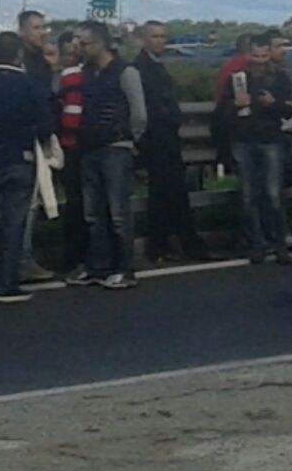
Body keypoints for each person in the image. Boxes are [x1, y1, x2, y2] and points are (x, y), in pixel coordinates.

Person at [73, 22, 147, 290]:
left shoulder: (125, 71)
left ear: (99, 43)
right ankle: (98, 265)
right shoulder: (87, 72)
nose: (78, 48)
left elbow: (139, 113)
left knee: (118, 211)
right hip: (90, 146)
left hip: (116, 146)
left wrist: (129, 138)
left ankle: (125, 268)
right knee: (94, 212)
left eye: (83, 42)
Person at [132, 21, 209, 263]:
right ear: (144, 39)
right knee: (168, 192)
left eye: (163, 36)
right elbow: (149, 106)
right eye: (155, 36)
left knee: (167, 193)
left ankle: (165, 245)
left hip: (164, 139)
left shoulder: (154, 66)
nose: (160, 41)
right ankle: (177, 244)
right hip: (157, 139)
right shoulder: (142, 69)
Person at [221, 33, 292, 266]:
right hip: (244, 139)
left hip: (270, 138)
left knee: (273, 194)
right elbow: (221, 112)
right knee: (248, 195)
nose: (261, 60)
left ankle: (279, 243)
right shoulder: (237, 79)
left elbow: (289, 111)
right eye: (256, 56)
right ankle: (257, 244)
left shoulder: (281, 78)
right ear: (248, 55)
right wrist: (234, 105)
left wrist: (273, 104)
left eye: (264, 55)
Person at [0, 32, 56, 303]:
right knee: (13, 222)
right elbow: (45, 124)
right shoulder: (30, 85)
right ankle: (6, 283)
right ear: (19, 55)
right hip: (19, 158)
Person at [52, 32, 89, 277]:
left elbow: (71, 118)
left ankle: (74, 255)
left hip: (72, 145)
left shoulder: (69, 78)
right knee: (80, 202)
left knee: (76, 202)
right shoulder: (80, 76)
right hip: (79, 147)